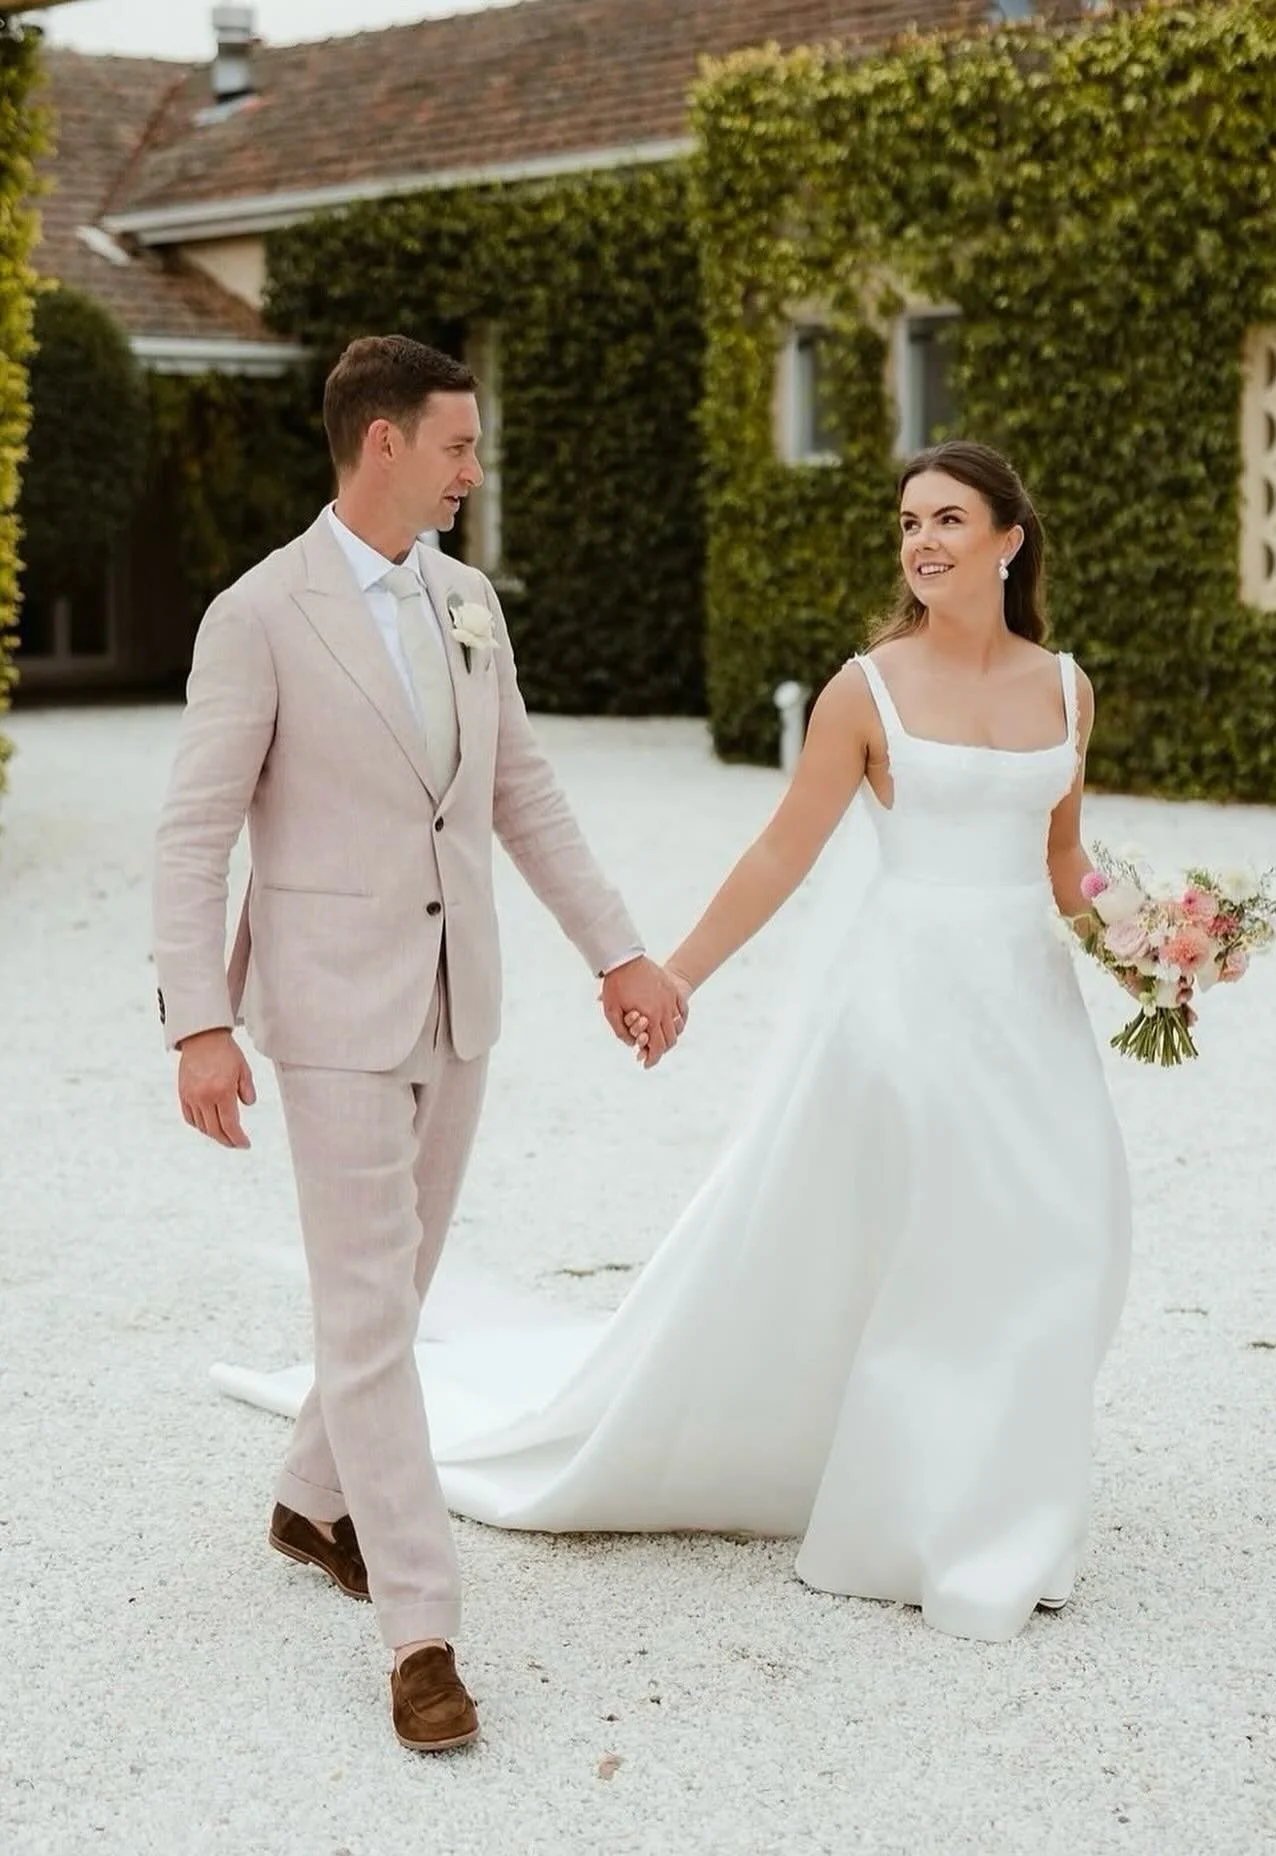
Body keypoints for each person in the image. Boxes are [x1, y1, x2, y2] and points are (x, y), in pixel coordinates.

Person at [219, 438, 1134, 1650]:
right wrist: (673, 976)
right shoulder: (869, 688)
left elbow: (1067, 866)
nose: (923, 543)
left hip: (1032, 1015)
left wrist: (1171, 943)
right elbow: (778, 852)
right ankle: (920, 1525)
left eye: (950, 520)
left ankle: (1012, 1504)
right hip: (909, 1019)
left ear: (1010, 539)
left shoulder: (1067, 689)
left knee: (1065, 1244)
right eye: (909, 522)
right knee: (943, 1257)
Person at [152, 334, 686, 1753]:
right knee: (375, 1306)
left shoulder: (468, 601)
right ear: (381, 444)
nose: (475, 469)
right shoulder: (257, 613)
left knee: (399, 1287)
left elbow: (521, 789)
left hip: (459, 999)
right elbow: (196, 832)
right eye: (459, 445)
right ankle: (422, 1629)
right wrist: (201, 1021)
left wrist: (618, 950)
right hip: (325, 1012)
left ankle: (310, 1492)